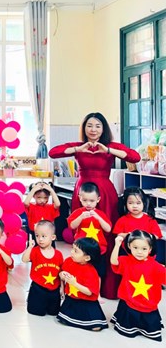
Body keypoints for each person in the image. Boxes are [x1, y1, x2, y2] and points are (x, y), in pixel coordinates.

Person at [49, 111, 140, 298]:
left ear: (103, 129)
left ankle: (107, 286)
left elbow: (135, 157)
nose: (93, 130)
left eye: (98, 126)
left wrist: (107, 150)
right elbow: (53, 153)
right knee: (81, 232)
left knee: (107, 233)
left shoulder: (110, 146)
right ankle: (82, 282)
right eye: (89, 126)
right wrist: (79, 149)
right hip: (82, 192)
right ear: (84, 128)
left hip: (105, 192)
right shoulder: (78, 146)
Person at [110, 230, 165, 341]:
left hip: (148, 302)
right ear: (129, 246)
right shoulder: (127, 260)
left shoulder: (156, 266)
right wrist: (117, 245)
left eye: (144, 249)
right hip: (129, 300)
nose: (139, 252)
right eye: (135, 248)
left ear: (150, 249)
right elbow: (114, 262)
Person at [57, 237, 108, 331]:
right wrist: (62, 275)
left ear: (87, 258)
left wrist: (75, 284)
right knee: (64, 319)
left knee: (96, 327)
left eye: (76, 251)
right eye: (72, 248)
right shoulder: (69, 261)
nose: (71, 252)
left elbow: (89, 292)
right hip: (72, 298)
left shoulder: (91, 272)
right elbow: (61, 273)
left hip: (87, 302)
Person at [67, 182, 111, 279]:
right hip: (82, 250)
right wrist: (80, 217)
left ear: (98, 199)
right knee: (81, 272)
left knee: (98, 273)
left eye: (92, 201)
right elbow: (72, 226)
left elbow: (108, 229)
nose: (88, 203)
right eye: (85, 200)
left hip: (99, 249)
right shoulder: (78, 212)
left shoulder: (100, 214)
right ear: (80, 198)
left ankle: (98, 289)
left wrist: (99, 218)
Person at [21, 221, 64, 316]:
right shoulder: (35, 251)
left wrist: (62, 288)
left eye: (44, 236)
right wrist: (30, 247)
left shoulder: (58, 254)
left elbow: (61, 272)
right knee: (36, 312)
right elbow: (24, 259)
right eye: (37, 236)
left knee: (53, 313)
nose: (40, 239)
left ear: (53, 237)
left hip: (54, 289)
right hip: (38, 288)